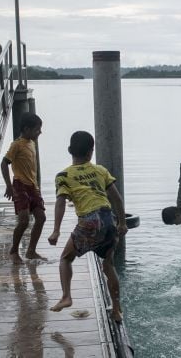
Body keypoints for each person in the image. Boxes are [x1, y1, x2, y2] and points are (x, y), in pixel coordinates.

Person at [47, 131, 128, 323]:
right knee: (108, 265)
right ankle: (117, 310)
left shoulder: (63, 175)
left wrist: (56, 230)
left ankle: (66, 297)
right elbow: (116, 198)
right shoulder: (101, 170)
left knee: (66, 258)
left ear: (69, 150)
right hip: (108, 220)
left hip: (89, 221)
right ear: (91, 152)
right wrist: (123, 223)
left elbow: (60, 202)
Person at [0, 113, 46, 263]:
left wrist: (37, 188)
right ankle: (13, 251)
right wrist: (8, 185)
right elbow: (4, 163)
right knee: (24, 221)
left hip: (33, 187)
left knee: (41, 217)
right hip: (20, 186)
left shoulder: (32, 143)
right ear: (27, 129)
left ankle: (31, 251)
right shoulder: (17, 145)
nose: (40, 132)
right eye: (37, 129)